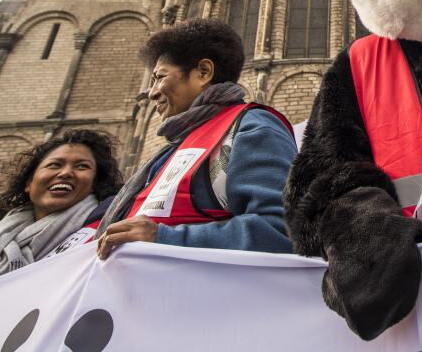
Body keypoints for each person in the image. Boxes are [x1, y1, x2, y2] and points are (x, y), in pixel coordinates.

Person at [95, 19, 296, 258]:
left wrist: (164, 237)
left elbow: (282, 231)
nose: (152, 93)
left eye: (159, 77)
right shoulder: (172, 149)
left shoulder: (251, 127)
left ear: (203, 72)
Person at [0, 129, 124, 310]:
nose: (65, 173)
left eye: (82, 166)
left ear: (94, 184)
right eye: (55, 165)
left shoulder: (108, 234)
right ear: (28, 183)